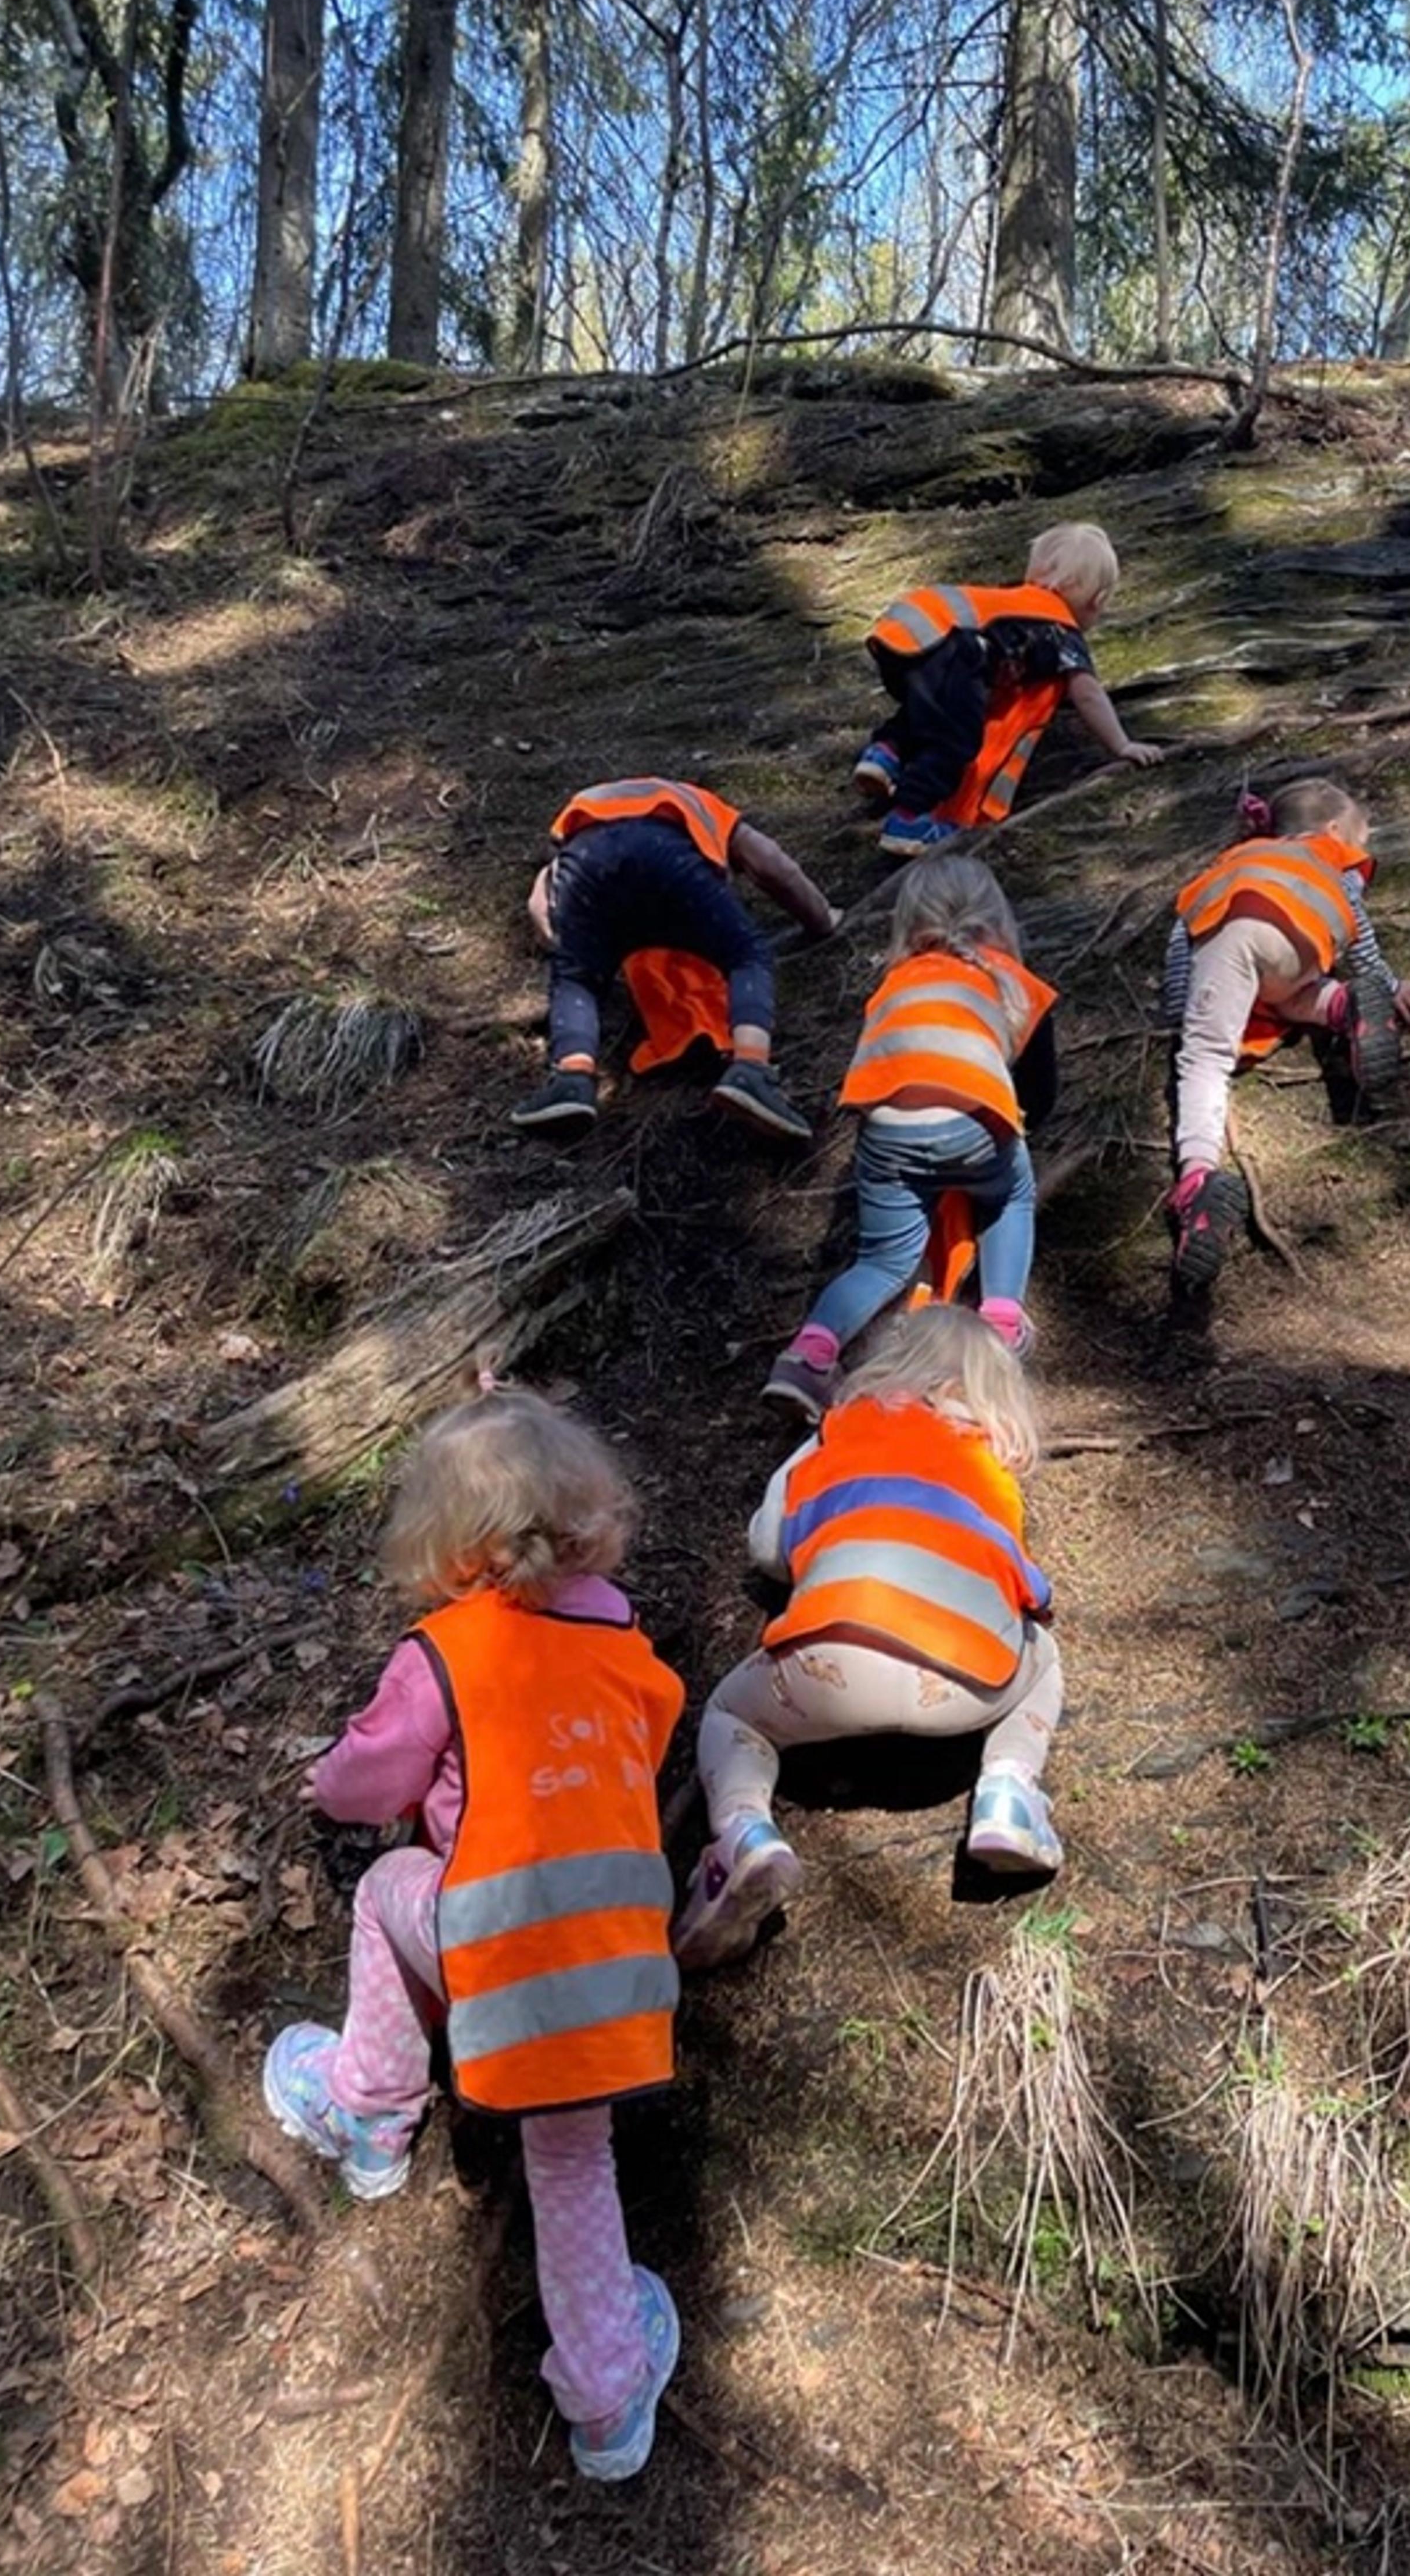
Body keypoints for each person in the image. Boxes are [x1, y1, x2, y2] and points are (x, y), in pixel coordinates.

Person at [260, 1389, 686, 2483]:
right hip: (623, 1963)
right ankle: (607, 2397)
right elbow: (652, 1726)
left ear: (447, 1538)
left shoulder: (446, 1649)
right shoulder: (620, 1635)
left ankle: (367, 2114)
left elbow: (369, 1781)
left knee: (387, 1886)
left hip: (497, 1952)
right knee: (573, 2153)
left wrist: (329, 1782)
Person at [676, 1307, 1063, 1969]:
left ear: (890, 1364)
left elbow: (768, 1548)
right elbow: (1033, 1592)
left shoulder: (839, 1428)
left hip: (828, 1662)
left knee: (730, 1714)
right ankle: (1009, 1793)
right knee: (1044, 1661)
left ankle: (743, 1832)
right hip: (960, 1684)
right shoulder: (990, 1461)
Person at [763, 861, 1057, 1420]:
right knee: (1011, 1196)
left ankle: (809, 1355)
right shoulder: (1011, 981)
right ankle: (1001, 1323)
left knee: (882, 1262)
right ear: (998, 918)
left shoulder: (893, 985)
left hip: (887, 1133)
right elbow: (1041, 1095)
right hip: (977, 1128)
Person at [1160, 777, 1410, 1288]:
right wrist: (1386, 984)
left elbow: (1186, 930)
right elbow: (1356, 925)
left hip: (1235, 931)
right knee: (1287, 995)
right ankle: (1345, 1005)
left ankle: (1197, 1180)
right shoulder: (1329, 863)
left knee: (1205, 1057)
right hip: (1302, 944)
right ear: (1333, 832)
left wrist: (1181, 1006)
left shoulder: (1232, 863)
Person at [513, 775, 838, 1138]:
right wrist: (822, 920)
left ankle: (572, 1078)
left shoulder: (580, 815)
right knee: (746, 955)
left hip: (587, 864)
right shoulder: (701, 803)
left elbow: (540, 903)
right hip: (664, 852)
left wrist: (571, 946)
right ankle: (752, 1068)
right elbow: (773, 866)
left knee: (578, 980)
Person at [852, 521, 1164, 856]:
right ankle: (909, 818)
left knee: (930, 713)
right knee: (956, 739)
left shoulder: (1013, 605)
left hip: (904, 631)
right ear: (1098, 601)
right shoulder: (1062, 631)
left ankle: (885, 753)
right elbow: (1087, 694)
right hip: (954, 648)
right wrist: (1122, 744)